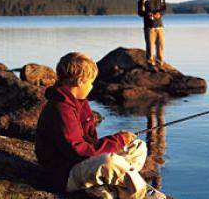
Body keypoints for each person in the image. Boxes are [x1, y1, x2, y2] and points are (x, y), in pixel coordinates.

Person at [35, 52, 166, 199]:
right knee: (109, 161)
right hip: (64, 174)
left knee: (137, 147)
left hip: (81, 163)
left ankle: (107, 186)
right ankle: (140, 193)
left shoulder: (78, 101)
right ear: (80, 81)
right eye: (90, 82)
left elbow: (90, 142)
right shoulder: (61, 108)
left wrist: (120, 141)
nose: (91, 86)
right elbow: (78, 151)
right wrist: (117, 140)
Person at [137, 0, 167, 70]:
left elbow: (164, 9)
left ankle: (160, 64)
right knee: (150, 45)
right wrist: (147, 14)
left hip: (160, 26)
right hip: (149, 27)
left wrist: (159, 14)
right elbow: (140, 12)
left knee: (161, 45)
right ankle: (150, 64)